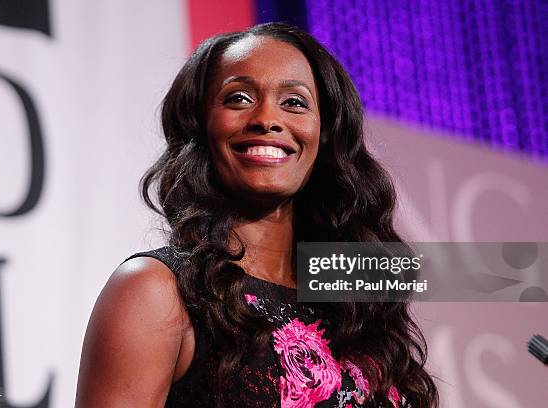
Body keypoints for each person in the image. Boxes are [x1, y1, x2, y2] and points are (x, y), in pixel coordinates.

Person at [75, 23, 439, 407]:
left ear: (326, 132)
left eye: (295, 102)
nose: (267, 119)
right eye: (238, 99)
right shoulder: (157, 292)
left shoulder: (354, 301)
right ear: (199, 126)